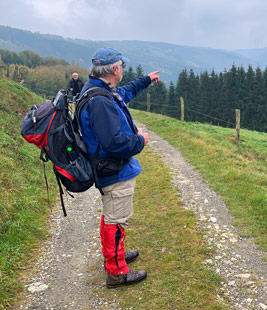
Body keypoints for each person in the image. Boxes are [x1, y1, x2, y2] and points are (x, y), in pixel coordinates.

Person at [77, 47, 160, 288]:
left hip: (109, 168)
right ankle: (116, 272)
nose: (122, 70)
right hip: (113, 169)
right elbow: (113, 142)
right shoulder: (100, 101)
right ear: (115, 69)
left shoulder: (99, 90)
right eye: (122, 66)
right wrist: (140, 140)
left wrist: (145, 81)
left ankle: (115, 256)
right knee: (115, 218)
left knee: (113, 216)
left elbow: (123, 93)